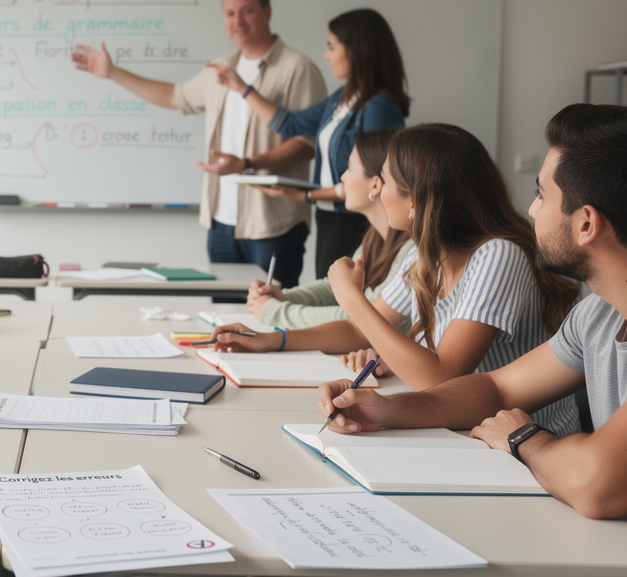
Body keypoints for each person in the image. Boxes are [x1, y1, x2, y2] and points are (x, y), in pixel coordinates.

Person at [310, 104, 627, 577]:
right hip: (615, 551)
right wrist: (387, 410)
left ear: (587, 223)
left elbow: (600, 484)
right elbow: (497, 385)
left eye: (543, 195)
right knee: (341, 560)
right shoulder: (599, 310)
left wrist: (524, 436)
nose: (530, 210)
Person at [212, 123, 580, 434]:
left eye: (385, 181)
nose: (378, 191)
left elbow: (440, 378)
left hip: (524, 443)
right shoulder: (429, 254)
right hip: (461, 432)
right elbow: (361, 331)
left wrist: (351, 297)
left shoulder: (498, 255)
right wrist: (272, 340)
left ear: (415, 202)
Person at [72, 0, 326, 288]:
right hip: (220, 223)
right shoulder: (219, 68)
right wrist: (113, 73)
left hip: (272, 225)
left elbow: (307, 144)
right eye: (230, 13)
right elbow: (172, 96)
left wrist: (247, 163)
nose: (238, 21)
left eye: (246, 11)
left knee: (270, 323)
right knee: (222, 324)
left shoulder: (297, 68)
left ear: (267, 11)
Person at [217, 8, 409, 278]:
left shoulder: (379, 108)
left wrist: (306, 195)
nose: (326, 55)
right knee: (326, 288)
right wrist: (243, 89)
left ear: (357, 50)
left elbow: (376, 180)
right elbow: (289, 124)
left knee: (339, 296)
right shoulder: (341, 98)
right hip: (330, 217)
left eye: (331, 46)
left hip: (358, 221)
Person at [248, 127, 412, 331]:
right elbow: (337, 290)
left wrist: (275, 311)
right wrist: (283, 297)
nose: (343, 177)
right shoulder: (374, 238)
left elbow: (362, 318)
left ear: (375, 185)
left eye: (350, 168)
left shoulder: (411, 251)